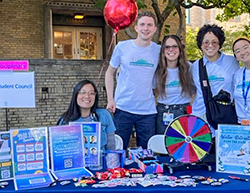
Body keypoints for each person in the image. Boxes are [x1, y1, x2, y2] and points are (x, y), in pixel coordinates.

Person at [105, 11, 160, 149]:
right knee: (117, 150)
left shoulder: (159, 50)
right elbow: (109, 72)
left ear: (155, 29)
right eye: (142, 24)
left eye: (149, 25)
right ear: (136, 27)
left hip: (147, 111)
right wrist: (110, 99)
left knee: (147, 154)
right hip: (123, 108)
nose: (145, 28)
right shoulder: (122, 47)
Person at [190, 24, 239, 122]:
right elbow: (192, 91)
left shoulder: (232, 62)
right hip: (200, 117)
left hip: (225, 116)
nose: (210, 46)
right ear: (201, 44)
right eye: (206, 42)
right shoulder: (195, 66)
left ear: (220, 43)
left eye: (214, 42)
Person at [57, 79, 116, 152]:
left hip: (101, 161)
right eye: (82, 92)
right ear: (76, 95)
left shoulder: (104, 114)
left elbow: (111, 146)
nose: (87, 96)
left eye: (91, 93)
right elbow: (60, 148)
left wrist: (111, 161)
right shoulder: (65, 120)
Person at [153, 35, 196, 134]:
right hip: (163, 112)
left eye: (175, 46)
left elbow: (195, 90)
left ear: (180, 49)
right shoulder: (157, 70)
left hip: (184, 111)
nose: (171, 49)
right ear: (163, 51)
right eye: (167, 47)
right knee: (162, 146)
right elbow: (153, 91)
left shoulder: (189, 67)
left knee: (184, 147)